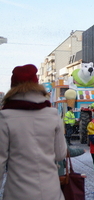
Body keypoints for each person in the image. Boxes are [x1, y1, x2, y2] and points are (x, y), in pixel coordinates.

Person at [0, 64, 67, 200]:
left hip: (17, 192)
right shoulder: (53, 114)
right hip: (51, 191)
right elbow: (60, 154)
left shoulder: (5, 117)